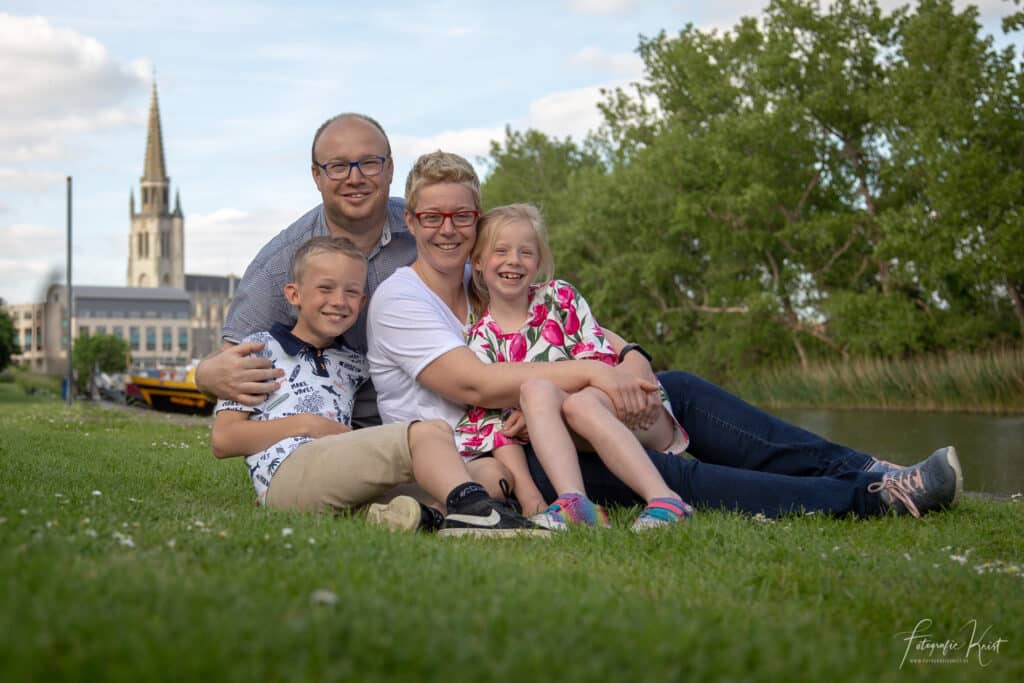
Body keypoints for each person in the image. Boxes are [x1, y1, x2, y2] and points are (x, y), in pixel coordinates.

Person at [367, 150, 964, 523]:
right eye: (431, 217)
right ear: (412, 221)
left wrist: (628, 360)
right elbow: (479, 382)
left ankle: (867, 465)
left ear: (476, 224)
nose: (447, 229)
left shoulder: (489, 277)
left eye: (461, 217)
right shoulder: (401, 297)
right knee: (673, 474)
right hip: (498, 455)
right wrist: (597, 375)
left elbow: (579, 327)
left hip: (564, 416)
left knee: (679, 388)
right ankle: (872, 498)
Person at [210, 235, 544, 537]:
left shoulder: (354, 363)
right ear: (294, 294)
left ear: (364, 300)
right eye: (325, 289)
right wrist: (309, 426)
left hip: (339, 475)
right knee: (427, 432)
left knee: (489, 473)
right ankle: (479, 516)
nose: (339, 301)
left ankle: (425, 517)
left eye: (352, 292)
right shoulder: (259, 349)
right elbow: (224, 440)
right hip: (289, 474)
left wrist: (518, 407)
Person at [456, 203, 693, 531]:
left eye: (526, 252)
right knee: (534, 389)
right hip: (579, 437)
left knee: (578, 402)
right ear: (478, 262)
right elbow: (498, 430)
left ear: (538, 262)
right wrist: (530, 495)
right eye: (501, 251)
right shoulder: (481, 341)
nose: (514, 260)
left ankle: (666, 499)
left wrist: (538, 410)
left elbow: (602, 367)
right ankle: (576, 503)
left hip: (633, 411)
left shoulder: (559, 298)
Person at [195, 113, 416, 426]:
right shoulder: (280, 263)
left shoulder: (429, 231)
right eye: (338, 166)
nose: (355, 178)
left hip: (426, 413)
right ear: (317, 176)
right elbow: (229, 361)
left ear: (390, 169)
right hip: (327, 431)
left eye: (369, 163)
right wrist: (204, 375)